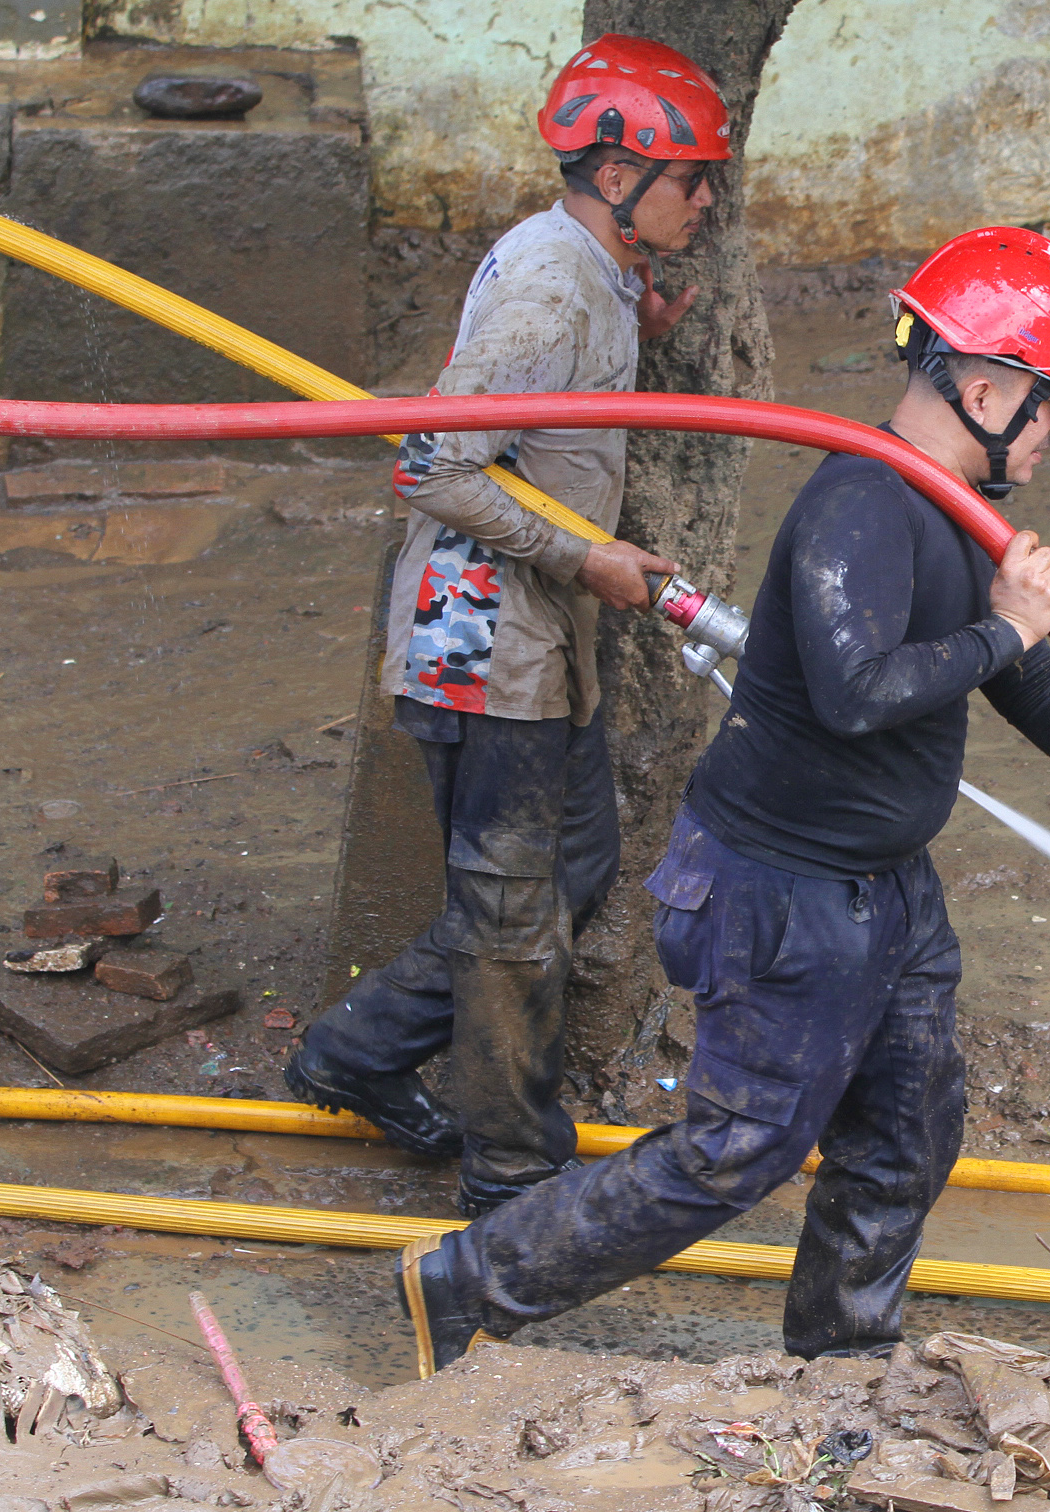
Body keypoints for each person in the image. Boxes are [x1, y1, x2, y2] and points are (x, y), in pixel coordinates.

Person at [396, 227, 1050, 1375]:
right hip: (781, 891)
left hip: (885, 889)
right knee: (736, 1149)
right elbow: (860, 693)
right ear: (983, 385)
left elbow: (1023, 681)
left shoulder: (955, 507)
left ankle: (843, 1360)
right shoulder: (863, 505)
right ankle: (466, 1283)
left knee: (908, 1129)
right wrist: (1006, 619)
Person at [283, 35, 728, 1218]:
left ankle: (356, 1050)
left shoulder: (596, 269)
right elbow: (429, 466)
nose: (708, 202)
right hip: (484, 645)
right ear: (624, 173)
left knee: (567, 873)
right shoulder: (549, 288)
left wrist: (647, 324)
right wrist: (588, 556)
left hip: (539, 638)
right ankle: (515, 1171)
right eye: (694, 179)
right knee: (514, 918)